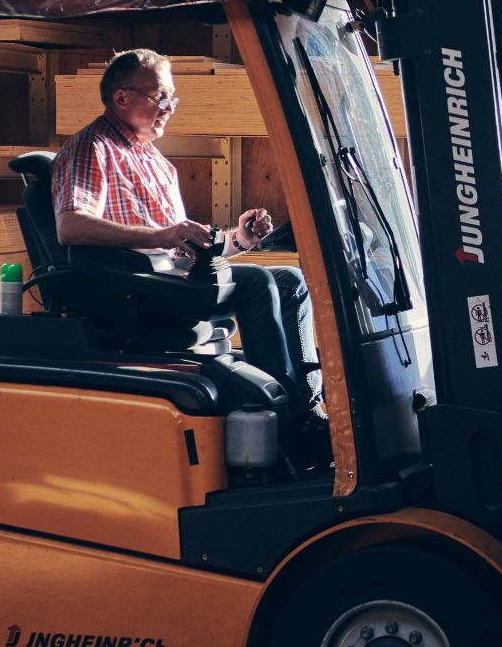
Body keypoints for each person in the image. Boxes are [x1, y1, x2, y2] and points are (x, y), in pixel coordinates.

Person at [50, 47, 325, 430]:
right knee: (259, 283)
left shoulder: (156, 162)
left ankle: (312, 408)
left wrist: (240, 239)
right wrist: (165, 233)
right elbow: (71, 226)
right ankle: (288, 419)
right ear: (122, 97)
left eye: (172, 98)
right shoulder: (93, 149)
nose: (170, 107)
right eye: (160, 96)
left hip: (173, 281)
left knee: (290, 281)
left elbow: (184, 248)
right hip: (135, 292)